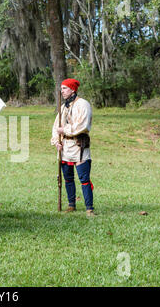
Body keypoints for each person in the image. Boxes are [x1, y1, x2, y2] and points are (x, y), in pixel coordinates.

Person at [51, 78, 95, 217]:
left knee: (84, 178)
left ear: (72, 89)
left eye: (64, 88)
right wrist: (56, 141)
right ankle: (71, 205)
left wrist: (64, 130)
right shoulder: (63, 107)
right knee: (68, 177)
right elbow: (55, 127)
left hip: (78, 146)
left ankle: (89, 208)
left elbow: (83, 125)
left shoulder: (83, 104)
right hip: (65, 147)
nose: (62, 91)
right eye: (62, 88)